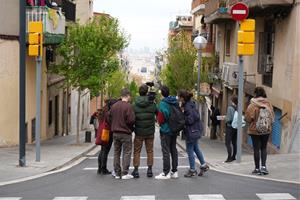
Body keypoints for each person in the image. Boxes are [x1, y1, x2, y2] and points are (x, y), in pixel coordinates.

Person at [178, 90, 209, 177]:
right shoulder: (192, 104)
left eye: (180, 97)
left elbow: (190, 120)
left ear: (183, 98)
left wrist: (183, 117)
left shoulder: (187, 107)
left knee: (190, 150)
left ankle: (192, 170)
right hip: (196, 130)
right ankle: (203, 165)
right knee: (196, 148)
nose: (179, 99)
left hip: (191, 131)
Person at [245, 87, 274, 175]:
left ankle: (257, 168)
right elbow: (272, 117)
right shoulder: (268, 104)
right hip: (266, 129)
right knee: (264, 148)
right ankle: (264, 167)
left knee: (256, 149)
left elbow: (248, 118)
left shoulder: (252, 104)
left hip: (255, 130)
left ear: (255, 94)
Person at [131, 84, 157, 178]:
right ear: (147, 92)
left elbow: (131, 118)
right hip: (150, 131)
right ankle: (149, 170)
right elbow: (157, 113)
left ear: (139, 92)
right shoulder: (152, 104)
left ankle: (136, 170)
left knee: (137, 151)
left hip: (139, 131)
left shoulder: (134, 105)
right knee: (150, 151)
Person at [109, 88, 135, 179]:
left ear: (121, 96)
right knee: (127, 152)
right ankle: (125, 173)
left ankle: (117, 173)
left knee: (116, 152)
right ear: (128, 96)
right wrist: (131, 129)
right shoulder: (128, 106)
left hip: (115, 132)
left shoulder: (114, 106)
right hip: (125, 132)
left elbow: (109, 118)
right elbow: (131, 120)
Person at [155, 85, 179, 180]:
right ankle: (174, 171)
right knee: (173, 149)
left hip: (166, 130)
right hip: (174, 129)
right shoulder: (175, 101)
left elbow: (161, 118)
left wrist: (159, 122)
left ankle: (166, 172)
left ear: (162, 93)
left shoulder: (162, 104)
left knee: (166, 151)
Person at [97, 99, 118, 175]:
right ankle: (103, 169)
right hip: (107, 133)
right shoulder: (109, 113)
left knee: (102, 150)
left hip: (102, 132)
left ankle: (100, 168)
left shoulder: (103, 111)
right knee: (105, 151)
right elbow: (110, 123)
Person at [224, 95, 238, 163]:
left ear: (232, 100)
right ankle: (234, 156)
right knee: (234, 142)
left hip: (230, 127)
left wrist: (225, 118)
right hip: (236, 127)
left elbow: (230, 118)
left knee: (227, 142)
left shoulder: (230, 108)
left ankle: (229, 157)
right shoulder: (238, 107)